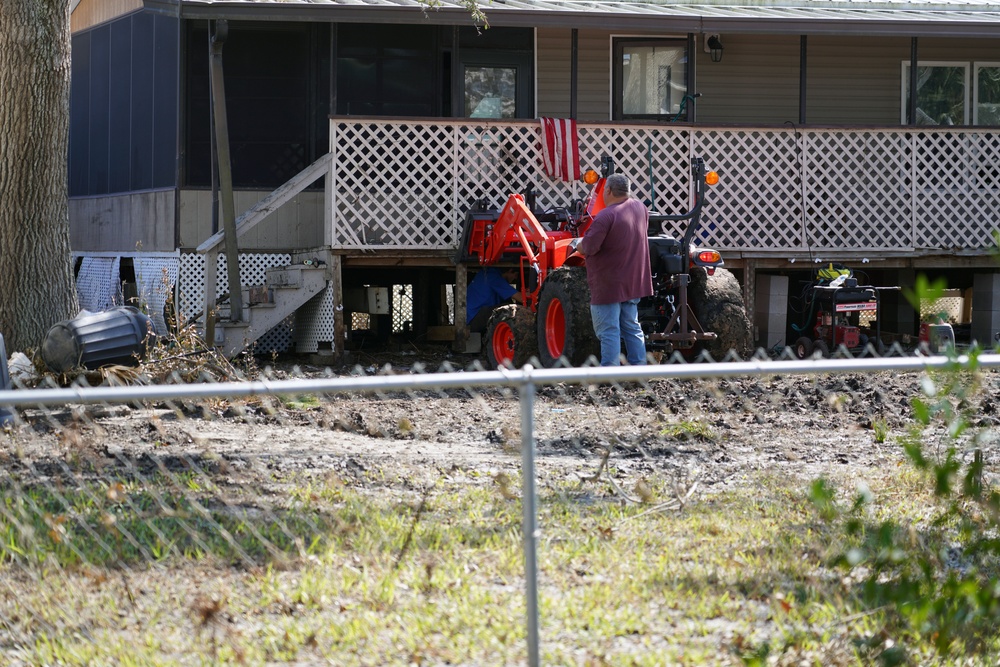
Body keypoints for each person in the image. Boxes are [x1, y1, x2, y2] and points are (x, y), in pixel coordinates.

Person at [574, 173, 653, 366]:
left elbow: (590, 247)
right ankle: (639, 370)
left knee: (609, 331)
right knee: (632, 327)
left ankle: (609, 373)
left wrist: (577, 243)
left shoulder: (606, 215)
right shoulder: (641, 208)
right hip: (633, 280)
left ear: (607, 191)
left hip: (608, 283)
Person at [466, 267, 523, 333]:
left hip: (473, 316)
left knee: (506, 303)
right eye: (515, 275)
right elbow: (521, 298)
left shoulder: (489, 273)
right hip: (473, 318)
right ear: (510, 270)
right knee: (508, 309)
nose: (515, 278)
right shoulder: (493, 276)